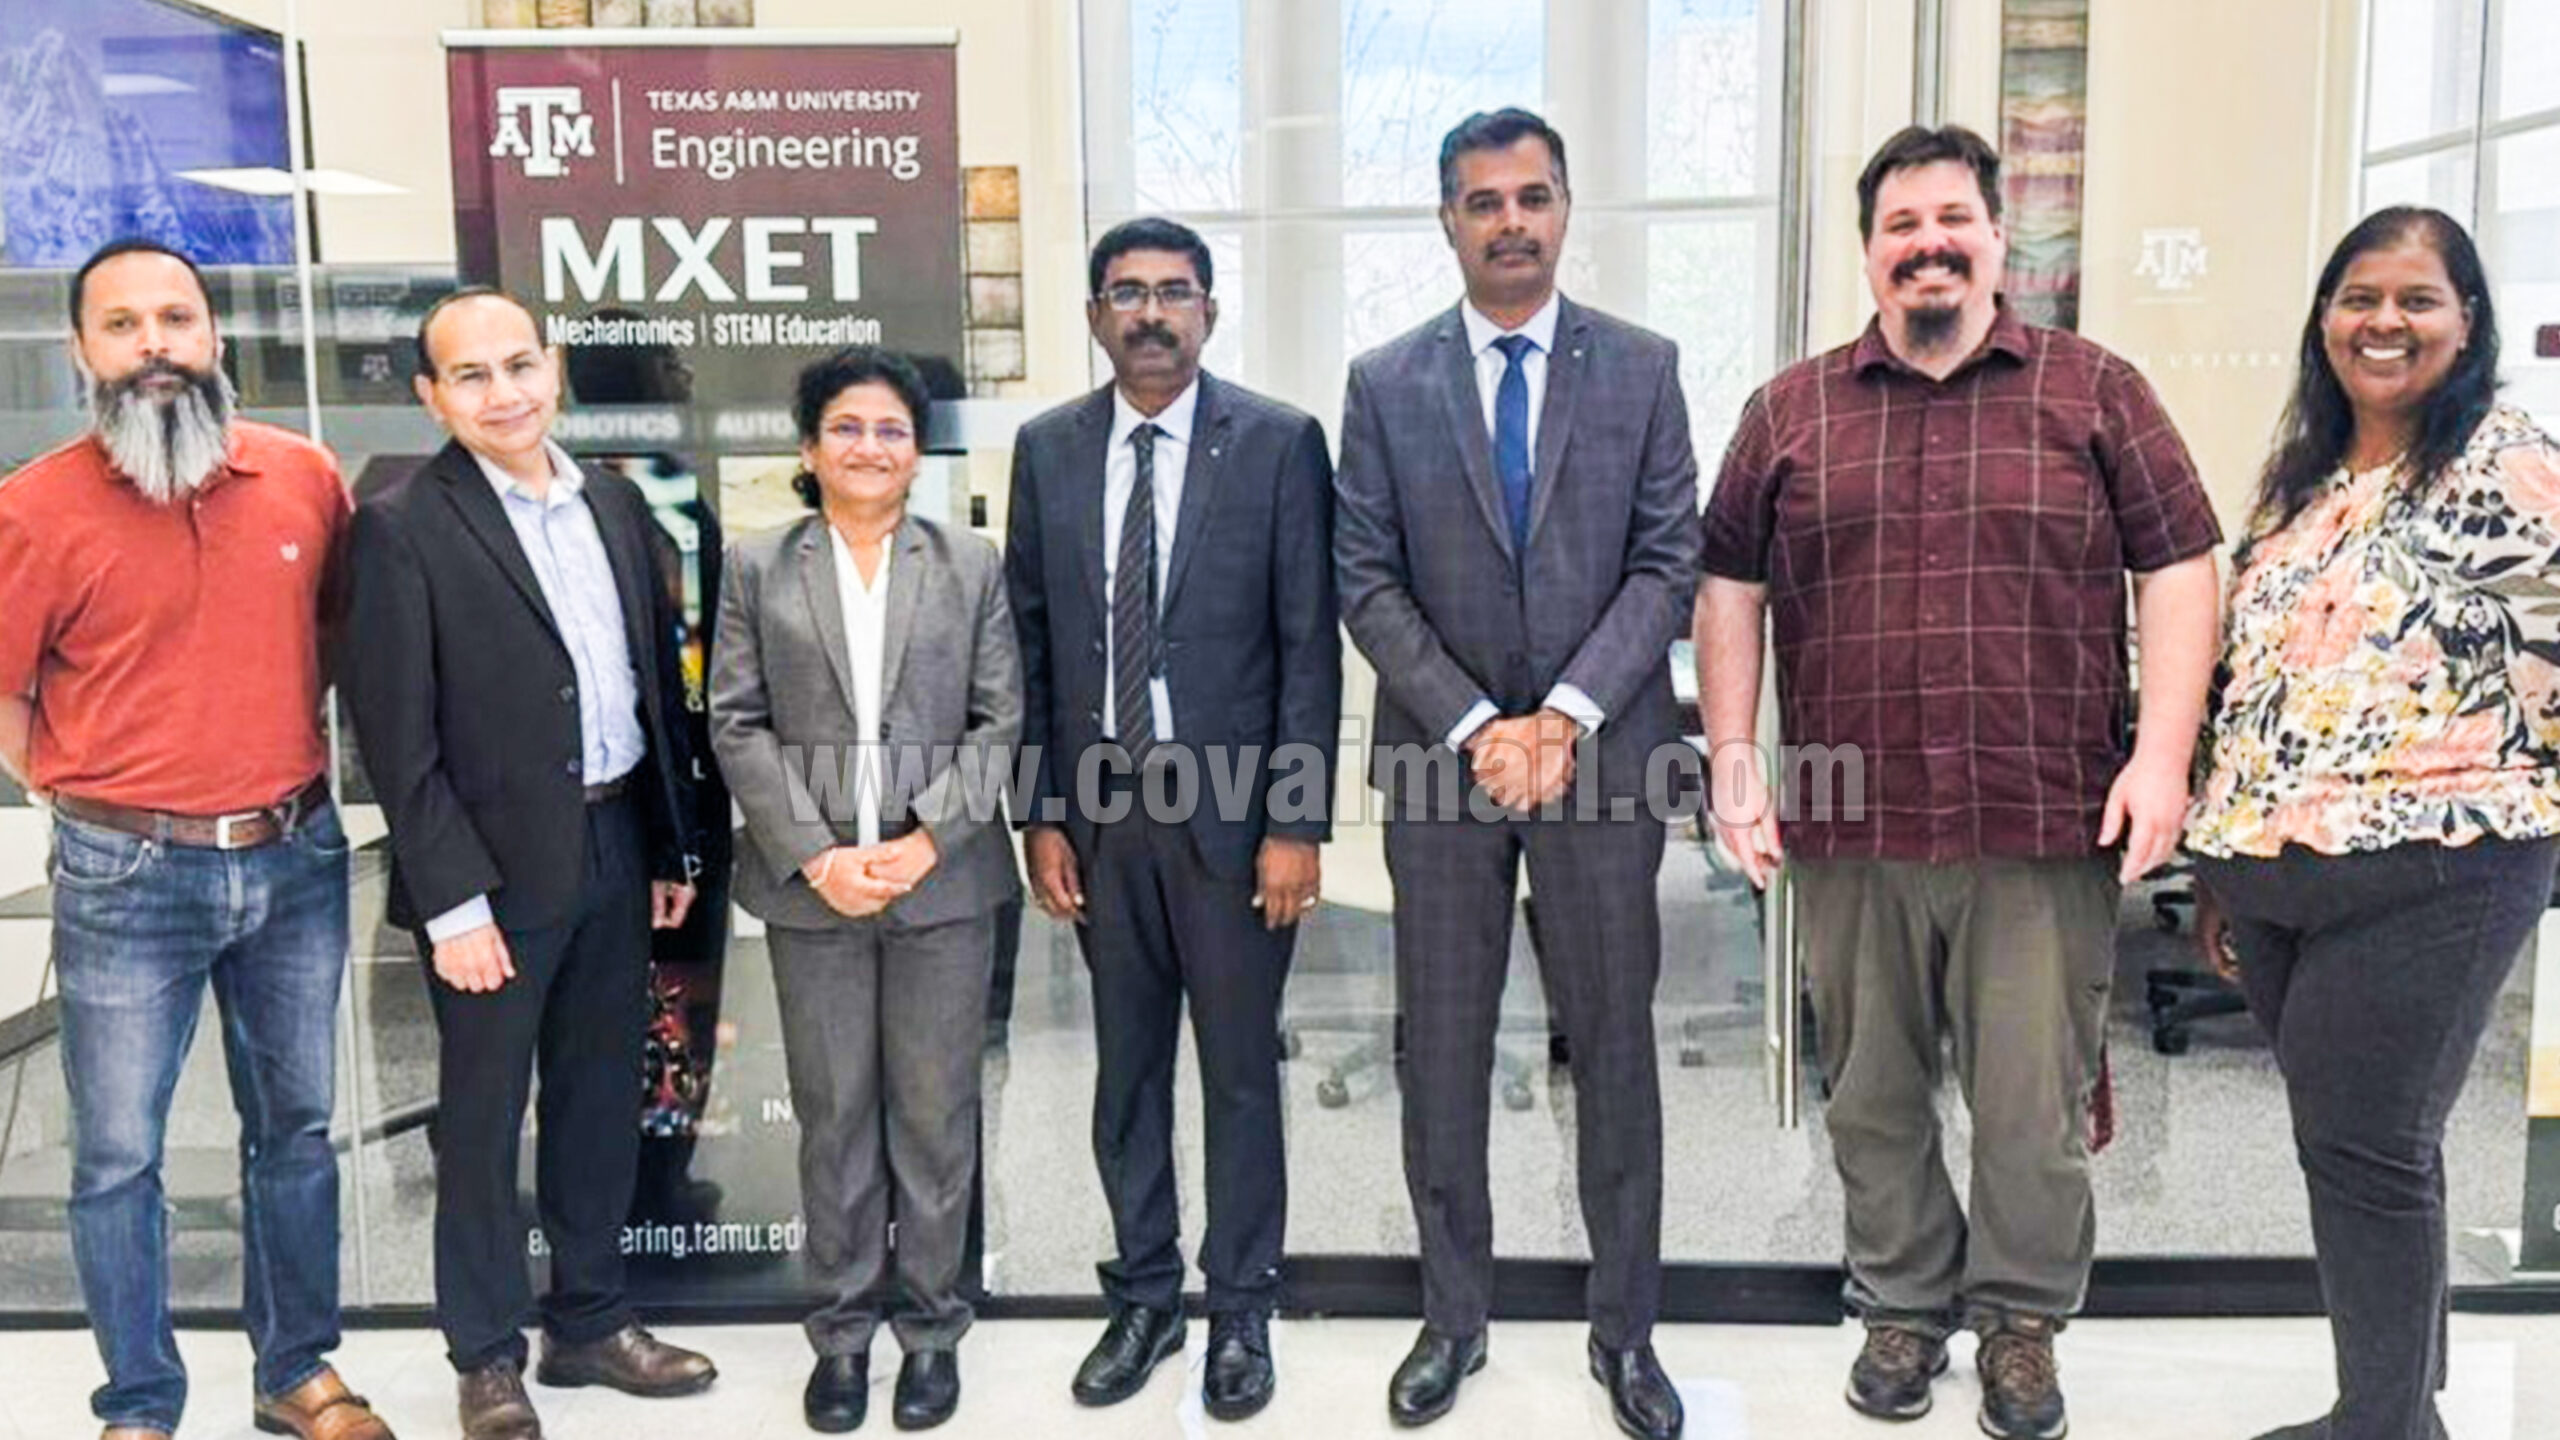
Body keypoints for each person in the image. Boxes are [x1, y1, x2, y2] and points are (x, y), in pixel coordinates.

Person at [1694, 124, 2222, 1439]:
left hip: (2037, 816)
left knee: (2032, 1106)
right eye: (1901, 225)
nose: (1927, 244)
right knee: (1871, 1092)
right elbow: (1729, 588)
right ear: (1868, 251)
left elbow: (2178, 567)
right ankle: (1902, 1304)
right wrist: (1736, 761)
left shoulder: (2096, 392)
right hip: (1851, 821)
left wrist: (2162, 756)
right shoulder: (1789, 411)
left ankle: (2022, 1323)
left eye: (1951, 220)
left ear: (1997, 239)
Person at [1333, 108, 1697, 1440]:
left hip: (1602, 768)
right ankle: (1453, 1319)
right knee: (1440, 1054)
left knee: (1616, 1056)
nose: (1510, 222)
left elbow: (1667, 561)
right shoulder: (1385, 382)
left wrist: (1565, 719)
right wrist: (1484, 723)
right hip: (1444, 773)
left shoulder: (1643, 369)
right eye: (1483, 201)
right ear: (1447, 219)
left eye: (1532, 197)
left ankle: (1627, 1332)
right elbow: (1365, 580)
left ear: (1565, 208)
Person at [0, 239, 389, 1440]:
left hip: (293, 855)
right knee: (118, 1155)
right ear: (82, 351)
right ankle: (139, 1403)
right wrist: (69, 785)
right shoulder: (32, 508)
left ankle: (296, 1372)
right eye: (122, 325)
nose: (154, 344)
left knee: (297, 1134)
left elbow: (338, 640)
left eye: (175, 318)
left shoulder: (303, 478)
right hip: (125, 873)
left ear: (215, 335)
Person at [2185, 207, 2557, 1440]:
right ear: (2324, 320)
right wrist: (2219, 872)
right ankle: (2401, 1413)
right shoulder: (2302, 477)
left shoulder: (2509, 462)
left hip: (2438, 866)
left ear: (2467, 320)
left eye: (2415, 299)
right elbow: (2253, 677)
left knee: (2364, 1146)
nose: (2382, 322)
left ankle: (2379, 1424)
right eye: (2358, 298)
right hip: (2273, 872)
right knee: (2370, 1148)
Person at [341, 287, 715, 1440]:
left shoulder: (610, 500)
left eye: (518, 365)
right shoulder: (402, 525)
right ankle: (488, 1354)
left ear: (551, 369)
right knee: (483, 1119)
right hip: (490, 879)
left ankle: (591, 1321)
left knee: (600, 1100)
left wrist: (665, 840)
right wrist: (451, 904)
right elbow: (394, 739)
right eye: (471, 375)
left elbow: (649, 685)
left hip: (614, 841)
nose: (503, 393)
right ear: (431, 396)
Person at [1005, 216, 1340, 1422]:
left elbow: (1308, 646)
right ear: (1096, 315)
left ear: (1209, 310)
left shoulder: (1279, 443)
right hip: (1100, 818)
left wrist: (1295, 823)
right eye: (1127, 293)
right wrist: (1040, 814)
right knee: (1126, 1072)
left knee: (1239, 1074)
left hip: (1236, 825)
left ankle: (1240, 1306)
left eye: (1174, 292)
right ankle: (1144, 1296)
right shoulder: (1047, 449)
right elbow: (1032, 642)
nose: (1151, 313)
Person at [709, 346, 1021, 1433]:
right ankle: (841, 1334)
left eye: (892, 430)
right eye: (846, 427)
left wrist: (927, 841)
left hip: (944, 886)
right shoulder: (757, 565)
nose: (870, 447)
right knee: (835, 1115)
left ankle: (932, 1330)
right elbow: (735, 722)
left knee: (935, 1115)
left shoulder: (970, 563)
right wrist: (818, 855)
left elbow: (1001, 720)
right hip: (816, 895)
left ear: (917, 452)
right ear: (809, 447)